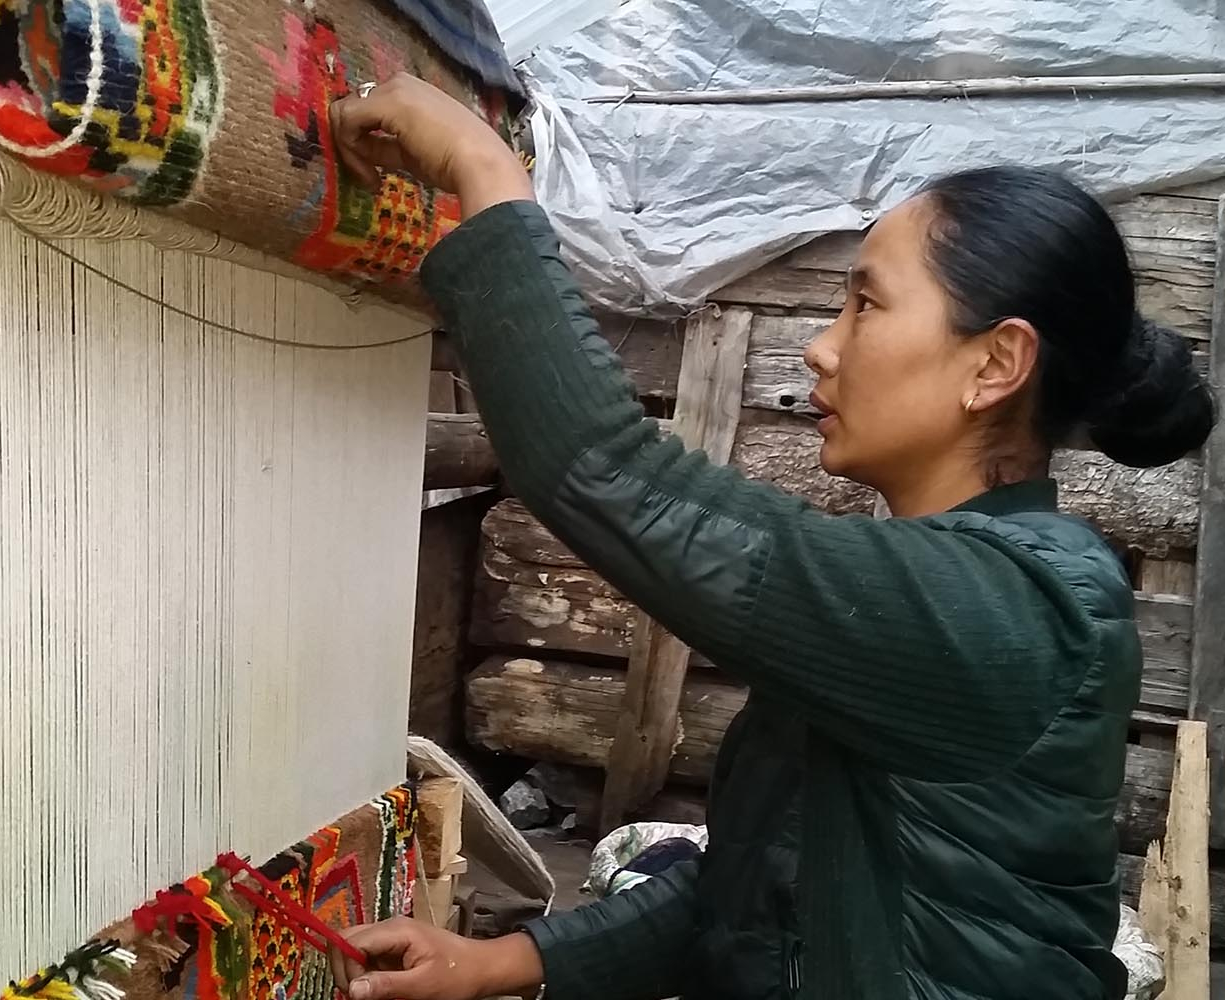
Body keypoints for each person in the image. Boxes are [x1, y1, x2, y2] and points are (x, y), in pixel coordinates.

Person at [325, 74, 1219, 1000]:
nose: (822, 347)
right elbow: (763, 883)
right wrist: (501, 963)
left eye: (865, 306)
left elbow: (606, 468)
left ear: (994, 365)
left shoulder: (1012, 611)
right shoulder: (937, 587)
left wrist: (482, 169)